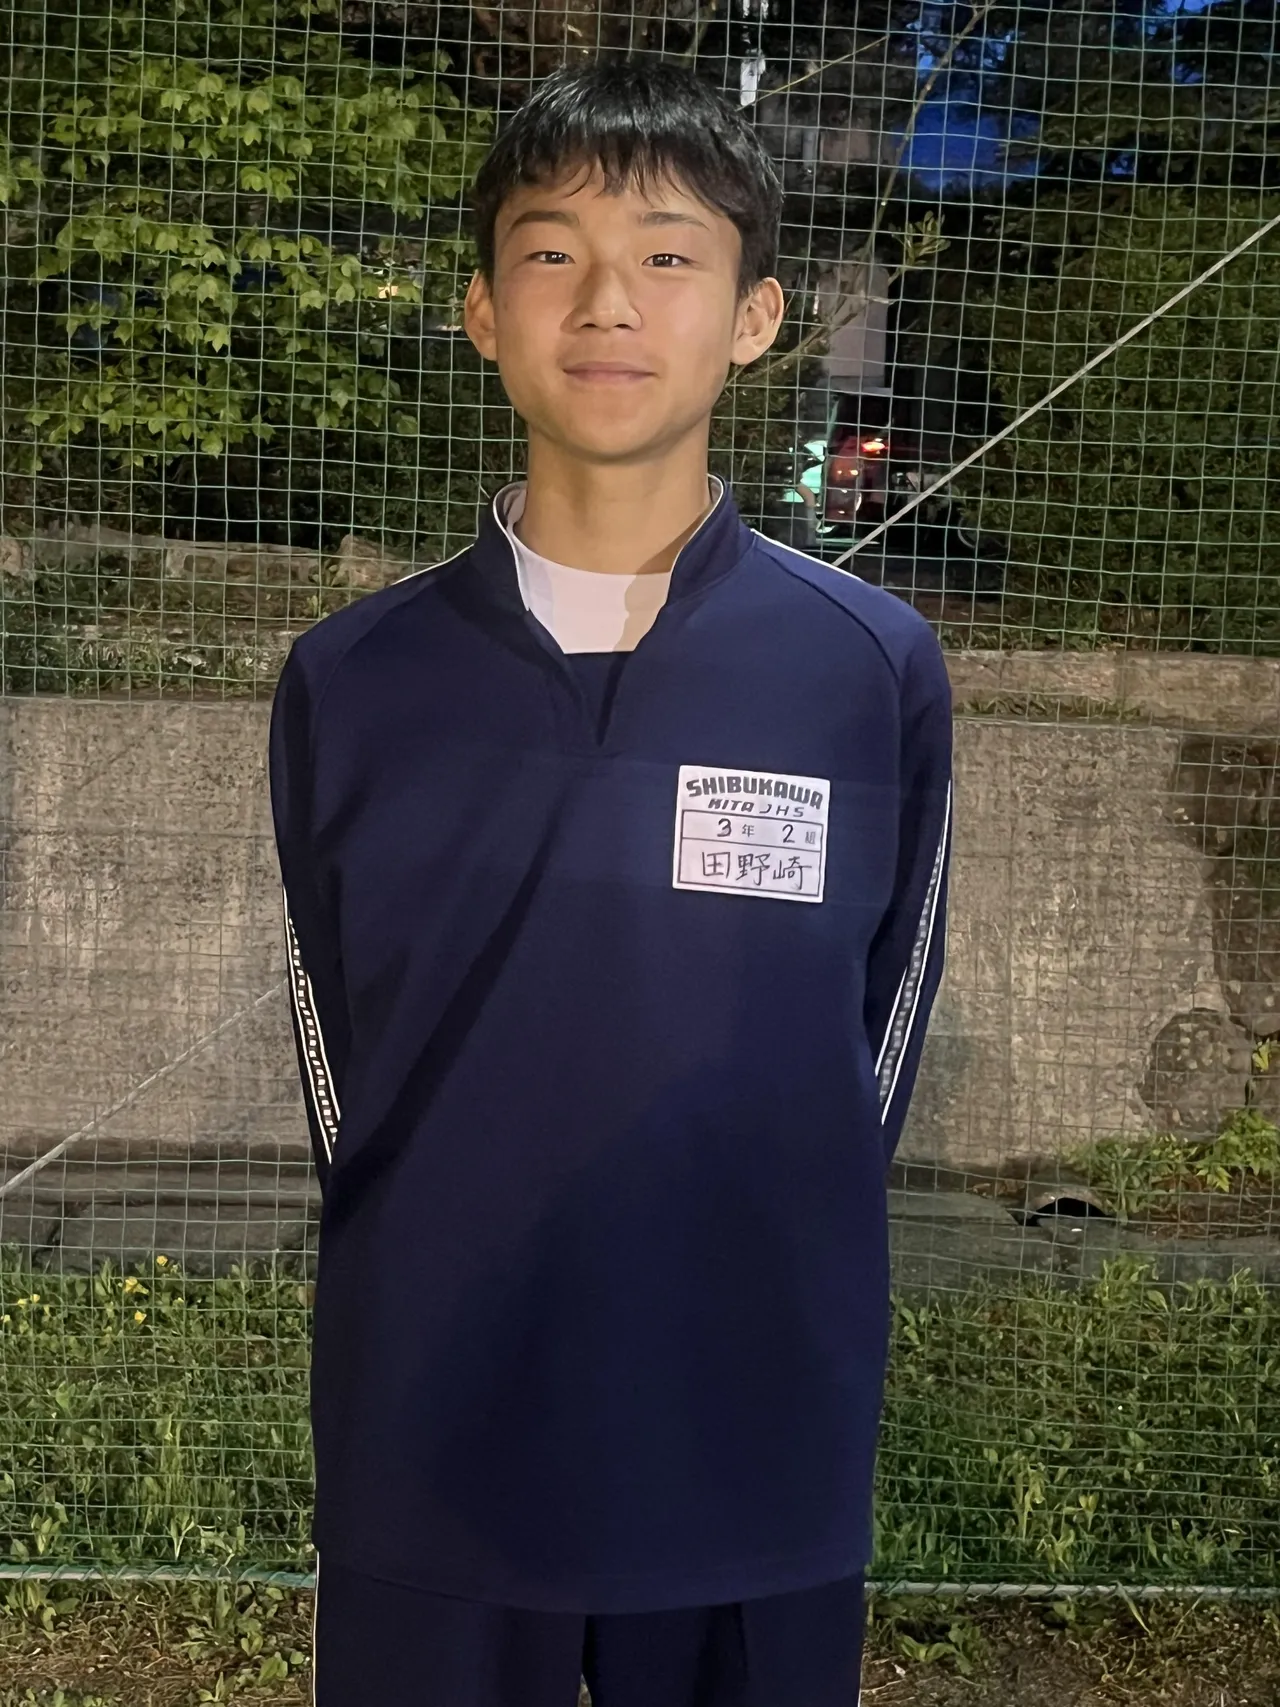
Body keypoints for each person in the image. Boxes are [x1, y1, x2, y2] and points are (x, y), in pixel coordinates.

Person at [269, 55, 953, 1707]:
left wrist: (753, 1253)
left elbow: (874, 1043)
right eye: (549, 251)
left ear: (755, 316)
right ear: (482, 312)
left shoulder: (865, 669)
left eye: (664, 254)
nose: (606, 303)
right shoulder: (354, 679)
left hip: (751, 1435)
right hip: (435, 1433)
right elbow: (339, 1049)